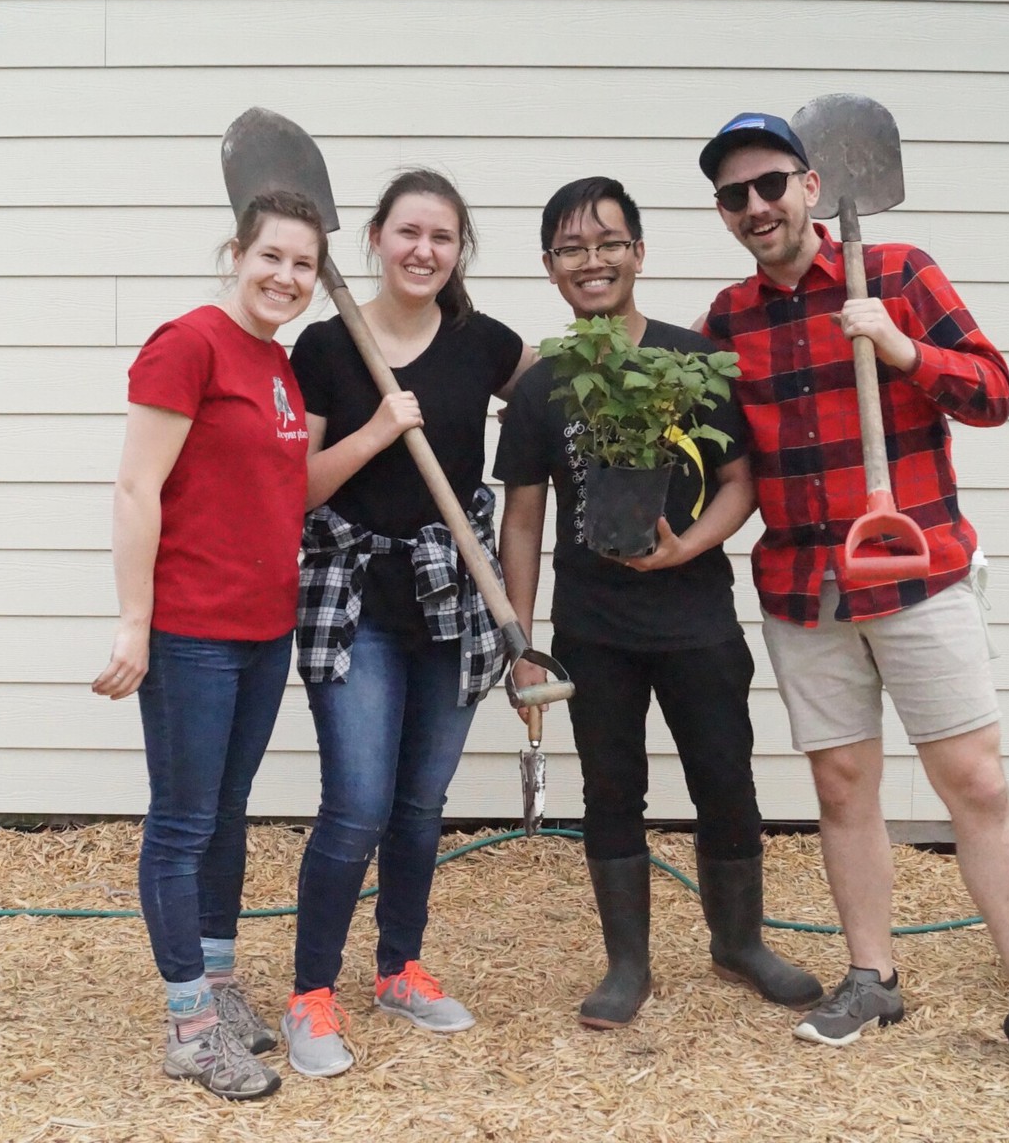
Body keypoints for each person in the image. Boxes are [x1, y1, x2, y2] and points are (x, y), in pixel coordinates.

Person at [695, 112, 1009, 1097]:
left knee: (976, 782)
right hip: (803, 584)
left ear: (811, 186)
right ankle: (871, 974)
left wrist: (906, 351)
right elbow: (730, 465)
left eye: (768, 185)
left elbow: (995, 391)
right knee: (841, 788)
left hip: (916, 568)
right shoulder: (727, 322)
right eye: (732, 195)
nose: (753, 207)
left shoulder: (900, 273)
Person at [494, 177, 822, 1030]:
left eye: (608, 243)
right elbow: (523, 514)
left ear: (639, 252)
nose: (592, 261)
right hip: (593, 627)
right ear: (549, 268)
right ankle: (627, 964)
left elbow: (739, 482)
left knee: (726, 778)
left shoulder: (695, 361)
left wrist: (689, 543)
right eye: (572, 249)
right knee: (611, 789)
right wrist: (520, 639)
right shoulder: (542, 385)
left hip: (696, 617)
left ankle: (739, 941)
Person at [280, 169, 533, 1078]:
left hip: (452, 602)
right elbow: (296, 488)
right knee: (356, 807)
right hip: (354, 603)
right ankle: (311, 993)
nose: (423, 251)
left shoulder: (489, 346)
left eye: (442, 237)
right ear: (377, 240)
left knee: (420, 808)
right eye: (407, 233)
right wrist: (379, 429)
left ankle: (399, 969)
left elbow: (558, 407)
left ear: (459, 251)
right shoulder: (323, 348)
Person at [90, 190, 329, 1101]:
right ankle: (188, 1026)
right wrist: (133, 622)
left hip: (264, 628)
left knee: (229, 811)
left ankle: (219, 986)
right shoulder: (186, 343)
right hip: (191, 629)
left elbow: (280, 490)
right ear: (237, 252)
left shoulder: (275, 363)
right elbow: (135, 488)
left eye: (303, 264)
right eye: (272, 256)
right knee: (183, 821)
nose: (286, 276)